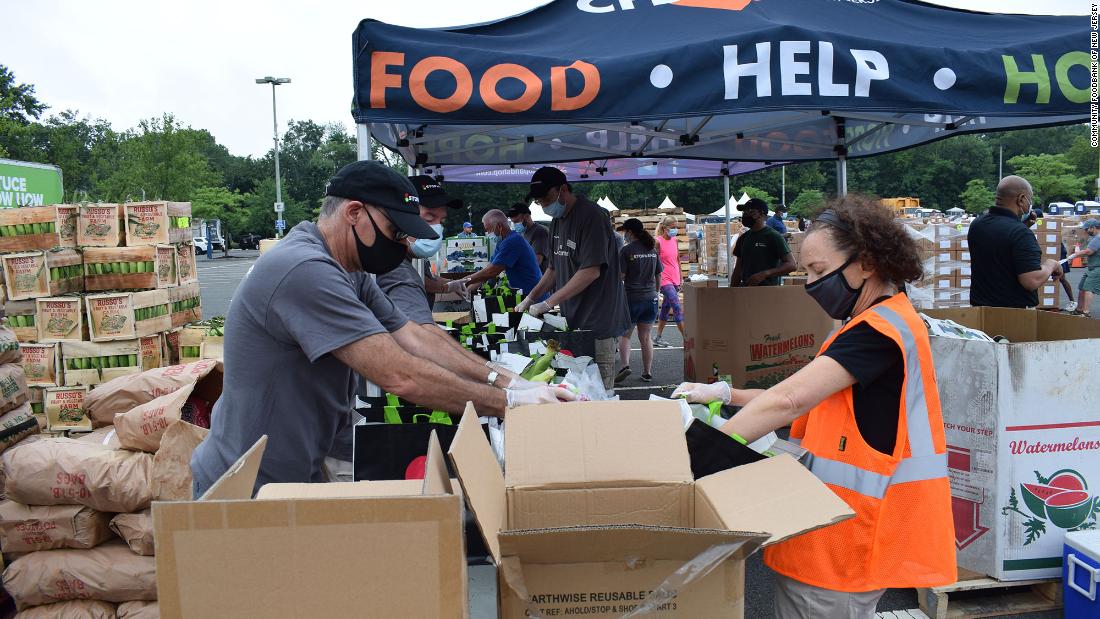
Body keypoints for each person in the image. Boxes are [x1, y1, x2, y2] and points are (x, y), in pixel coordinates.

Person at [190, 161, 573, 495]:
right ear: (355, 212)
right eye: (394, 232)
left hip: (294, 469)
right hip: (245, 482)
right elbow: (399, 374)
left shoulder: (349, 270)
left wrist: (511, 382)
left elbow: (417, 336)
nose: (401, 244)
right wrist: (508, 404)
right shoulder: (305, 269)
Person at [673, 197, 956, 618]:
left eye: (820, 271)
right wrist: (724, 395)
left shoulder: (877, 332)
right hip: (829, 529)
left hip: (842, 543)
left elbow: (790, 399)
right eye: (806, 270)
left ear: (868, 262)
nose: (810, 284)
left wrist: (695, 458)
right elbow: (802, 396)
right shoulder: (870, 325)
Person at [515, 166, 631, 390]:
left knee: (599, 393)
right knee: (576, 391)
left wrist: (548, 303)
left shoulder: (592, 217)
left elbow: (591, 271)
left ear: (563, 189)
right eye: (538, 202)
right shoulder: (558, 221)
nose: (543, 205)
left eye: (545, 199)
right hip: (573, 321)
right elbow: (553, 269)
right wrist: (530, 298)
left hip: (598, 323)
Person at [968, 175, 1062, 308]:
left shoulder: (977, 225)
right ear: (1021, 199)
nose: (1030, 205)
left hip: (980, 308)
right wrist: (1051, 265)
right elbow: (1031, 280)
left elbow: (999, 245)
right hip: (1014, 313)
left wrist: (1022, 226)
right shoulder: (1020, 233)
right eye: (1030, 200)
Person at [449, 209, 543, 298]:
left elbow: (492, 271)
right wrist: (468, 289)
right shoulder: (502, 242)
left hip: (533, 295)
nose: (488, 233)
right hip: (524, 294)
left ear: (499, 226)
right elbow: (487, 270)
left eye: (489, 230)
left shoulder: (513, 241)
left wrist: (462, 282)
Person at [616, 218, 661, 383]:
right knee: (646, 337)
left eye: (625, 231)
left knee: (625, 335)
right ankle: (647, 372)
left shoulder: (626, 251)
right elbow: (658, 275)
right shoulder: (652, 249)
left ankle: (625, 366)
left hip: (631, 298)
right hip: (650, 299)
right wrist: (655, 293)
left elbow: (621, 276)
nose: (624, 235)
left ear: (630, 232)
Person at [731, 198, 796, 286]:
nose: (745, 215)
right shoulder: (743, 238)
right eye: (744, 212)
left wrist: (765, 274)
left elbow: (791, 265)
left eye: (749, 211)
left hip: (768, 292)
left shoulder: (773, 236)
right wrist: (732, 292)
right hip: (746, 291)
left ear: (761, 214)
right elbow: (738, 269)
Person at [652, 216, 684, 348]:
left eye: (677, 227)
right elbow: (653, 262)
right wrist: (655, 280)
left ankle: (657, 337)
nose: (675, 230)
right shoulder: (657, 242)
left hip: (675, 278)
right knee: (676, 306)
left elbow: (677, 260)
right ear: (665, 228)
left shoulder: (675, 241)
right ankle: (687, 339)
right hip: (664, 279)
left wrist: (681, 277)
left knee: (665, 307)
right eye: (673, 227)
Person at [1065, 219, 1100, 317]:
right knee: (1082, 287)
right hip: (1091, 267)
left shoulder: (1098, 238)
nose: (1085, 231)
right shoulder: (1093, 238)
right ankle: (1080, 309)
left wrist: (1074, 255)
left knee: (1089, 288)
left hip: (1097, 268)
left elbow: (1088, 251)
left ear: (1093, 228)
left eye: (1087, 229)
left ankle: (1086, 312)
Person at [507, 203, 551, 272]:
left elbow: (537, 261)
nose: (515, 225)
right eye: (513, 222)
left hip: (538, 277)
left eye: (517, 221)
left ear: (527, 216)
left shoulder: (539, 232)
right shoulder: (522, 233)